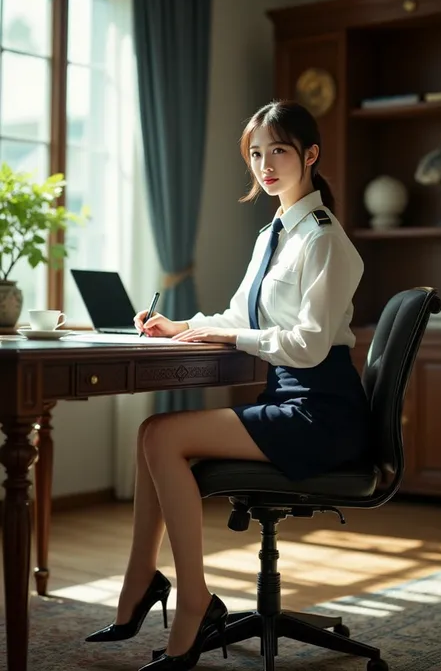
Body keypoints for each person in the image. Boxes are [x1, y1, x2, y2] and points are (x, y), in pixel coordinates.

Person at [85, 100, 372, 671]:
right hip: (288, 399)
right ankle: (143, 583)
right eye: (257, 154)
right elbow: (241, 315)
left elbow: (309, 344)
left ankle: (192, 601)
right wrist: (185, 325)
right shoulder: (272, 233)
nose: (265, 165)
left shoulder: (325, 240)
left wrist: (232, 342)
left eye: (279, 152)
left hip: (323, 414)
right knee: (152, 433)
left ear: (310, 155)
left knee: (162, 437)